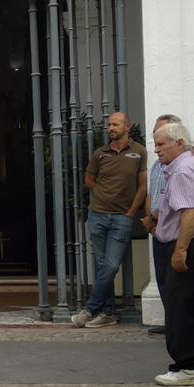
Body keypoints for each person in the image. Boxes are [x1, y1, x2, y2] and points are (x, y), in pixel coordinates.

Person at [149, 123, 194, 386]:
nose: (156, 150)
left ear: (179, 143)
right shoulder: (186, 167)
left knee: (179, 308)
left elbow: (189, 212)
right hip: (193, 244)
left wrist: (180, 250)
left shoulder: (183, 170)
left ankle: (186, 366)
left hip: (184, 244)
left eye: (161, 144)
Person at [72, 112, 147, 328]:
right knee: (101, 265)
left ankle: (89, 309)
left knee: (111, 265)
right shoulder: (99, 154)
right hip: (97, 214)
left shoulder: (138, 152)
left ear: (127, 127)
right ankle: (107, 313)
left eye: (115, 124)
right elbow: (89, 180)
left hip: (122, 217)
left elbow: (142, 186)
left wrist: (132, 211)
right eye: (109, 125)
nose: (111, 128)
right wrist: (104, 194)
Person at [140, 114, 182, 336]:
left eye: (161, 134)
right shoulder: (157, 164)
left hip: (171, 230)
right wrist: (150, 221)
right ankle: (170, 322)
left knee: (175, 281)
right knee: (162, 278)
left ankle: (177, 324)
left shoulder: (181, 166)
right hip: (156, 230)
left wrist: (156, 220)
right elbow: (151, 195)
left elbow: (173, 201)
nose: (156, 141)